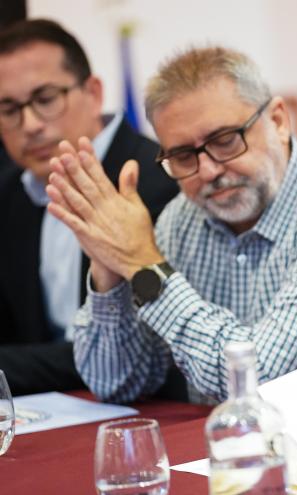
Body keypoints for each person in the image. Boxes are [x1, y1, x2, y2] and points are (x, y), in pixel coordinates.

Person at [45, 46, 297, 403]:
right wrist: (109, 267)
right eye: (184, 155)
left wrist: (144, 265)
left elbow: (254, 385)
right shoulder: (183, 218)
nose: (210, 170)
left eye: (226, 140)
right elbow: (116, 383)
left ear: (279, 121)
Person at [0, 19, 179, 395]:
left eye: (46, 99)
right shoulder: (9, 194)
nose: (29, 124)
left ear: (94, 92)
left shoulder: (156, 180)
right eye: (9, 109)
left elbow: (146, 351)